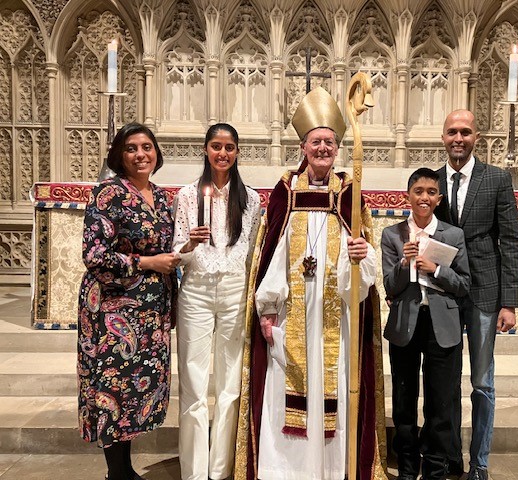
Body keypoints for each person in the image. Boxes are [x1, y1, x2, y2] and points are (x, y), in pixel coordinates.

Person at [234, 86, 387, 480]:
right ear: (303, 146)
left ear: (337, 149)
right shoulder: (287, 191)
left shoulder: (350, 193)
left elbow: (367, 258)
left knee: (336, 385)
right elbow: (272, 253)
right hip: (294, 310)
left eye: (330, 143)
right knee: (290, 386)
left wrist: (360, 256)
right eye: (316, 142)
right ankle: (289, 471)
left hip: (338, 314)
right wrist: (267, 308)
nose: (323, 149)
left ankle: (336, 469)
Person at [77, 122, 180, 480]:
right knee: (112, 387)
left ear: (156, 152)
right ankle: (117, 472)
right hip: (111, 309)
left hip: (151, 312)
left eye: (147, 147)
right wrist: (147, 263)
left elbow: (169, 250)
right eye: (132, 148)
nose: (141, 155)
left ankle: (124, 469)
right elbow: (94, 255)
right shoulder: (108, 194)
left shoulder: (164, 197)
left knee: (136, 389)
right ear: (120, 155)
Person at [434, 109, 518, 480]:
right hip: (446, 291)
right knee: (446, 380)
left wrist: (509, 302)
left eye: (465, 132)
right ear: (442, 137)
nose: (458, 138)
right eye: (452, 132)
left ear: (477, 137)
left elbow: (511, 241)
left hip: (485, 291)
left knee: (482, 382)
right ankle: (451, 457)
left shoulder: (497, 179)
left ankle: (480, 464)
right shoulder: (433, 181)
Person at [172, 123, 261, 480]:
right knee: (193, 383)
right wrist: (191, 245)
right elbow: (177, 252)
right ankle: (194, 472)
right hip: (195, 289)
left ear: (237, 152)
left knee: (229, 385)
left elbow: (253, 251)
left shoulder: (251, 199)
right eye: (216, 146)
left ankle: (221, 469)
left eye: (229, 147)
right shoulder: (187, 195)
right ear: (206, 150)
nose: (222, 153)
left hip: (235, 290)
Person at [381, 167, 470, 480]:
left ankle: (435, 468)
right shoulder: (393, 234)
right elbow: (389, 287)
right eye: (418, 191)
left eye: (431, 192)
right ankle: (407, 468)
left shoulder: (452, 234)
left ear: (438, 198)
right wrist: (405, 263)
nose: (424, 198)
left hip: (441, 324)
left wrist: (435, 269)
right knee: (404, 400)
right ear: (408, 196)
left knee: (439, 401)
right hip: (406, 323)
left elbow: (463, 284)